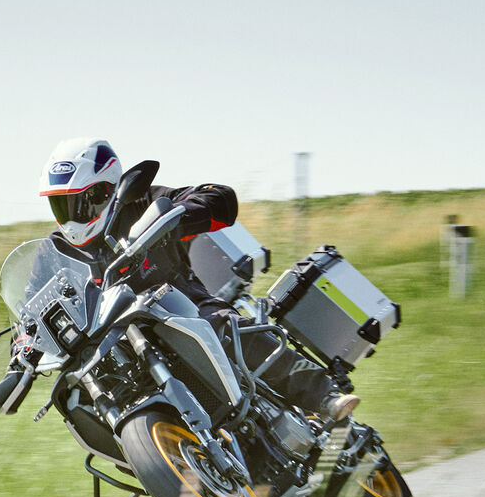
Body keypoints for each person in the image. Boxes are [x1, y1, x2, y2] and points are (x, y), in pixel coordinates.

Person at [36, 137, 358, 422]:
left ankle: (324, 395)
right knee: (83, 401)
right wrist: (21, 350)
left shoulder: (143, 202)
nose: (70, 214)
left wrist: (177, 218)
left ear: (105, 190)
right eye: (59, 204)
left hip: (184, 308)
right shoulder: (54, 251)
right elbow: (31, 309)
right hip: (117, 348)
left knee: (223, 328)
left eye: (78, 201)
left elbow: (221, 199)